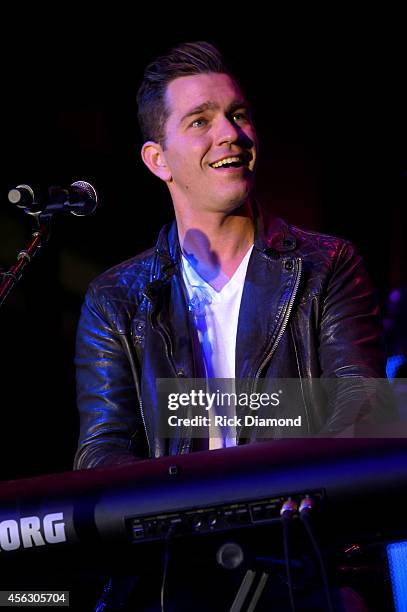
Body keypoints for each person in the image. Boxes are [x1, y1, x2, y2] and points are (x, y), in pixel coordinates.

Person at [74, 42, 388, 611]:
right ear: (158, 160)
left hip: (305, 563)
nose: (231, 134)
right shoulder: (116, 298)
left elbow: (363, 415)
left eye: (238, 114)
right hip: (173, 572)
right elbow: (103, 454)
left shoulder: (329, 266)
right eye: (201, 121)